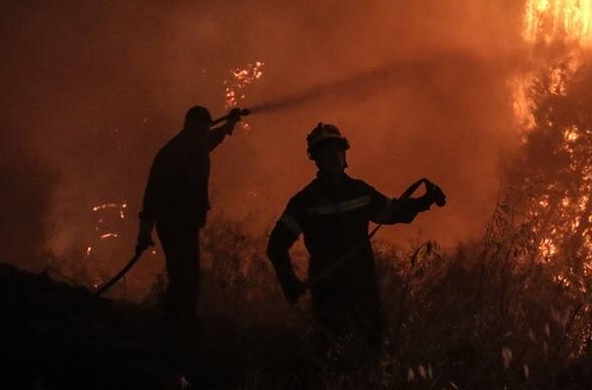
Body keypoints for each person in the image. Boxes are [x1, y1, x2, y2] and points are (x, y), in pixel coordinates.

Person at [267, 122, 445, 358]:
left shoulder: (359, 191)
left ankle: (370, 389)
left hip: (363, 284)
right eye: (325, 150)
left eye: (337, 149)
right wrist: (288, 280)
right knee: (330, 351)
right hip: (328, 290)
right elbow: (276, 244)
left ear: (345, 153)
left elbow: (391, 212)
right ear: (315, 158)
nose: (333, 156)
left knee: (375, 345)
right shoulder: (305, 201)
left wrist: (424, 201)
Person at [135, 105, 244, 336]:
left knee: (188, 276)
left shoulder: (197, 145)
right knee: (184, 277)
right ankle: (176, 326)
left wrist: (231, 123)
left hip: (188, 223)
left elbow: (217, 136)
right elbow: (152, 196)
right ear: (188, 127)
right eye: (199, 130)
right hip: (173, 224)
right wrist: (145, 232)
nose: (204, 134)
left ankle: (178, 323)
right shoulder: (171, 154)